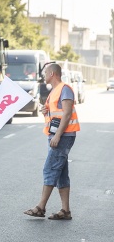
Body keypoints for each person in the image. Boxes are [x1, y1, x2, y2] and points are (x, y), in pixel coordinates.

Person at [24, 63, 80, 220]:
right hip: (56, 134)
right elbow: (55, 114)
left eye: (45, 72)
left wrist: (57, 136)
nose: (43, 75)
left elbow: (67, 113)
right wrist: (45, 112)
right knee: (61, 173)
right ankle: (65, 211)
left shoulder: (65, 89)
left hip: (64, 135)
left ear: (53, 74)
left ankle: (40, 207)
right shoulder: (54, 91)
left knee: (50, 169)